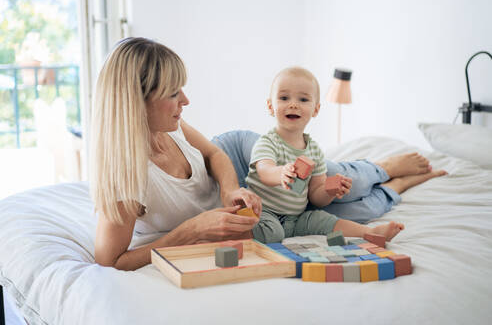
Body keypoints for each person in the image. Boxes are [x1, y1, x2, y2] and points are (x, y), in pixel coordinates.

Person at [90, 37, 262, 271]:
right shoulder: (127, 179)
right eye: (173, 93)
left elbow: (214, 153)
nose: (186, 100)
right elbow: (109, 261)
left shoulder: (171, 127)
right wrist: (192, 230)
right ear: (136, 102)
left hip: (235, 155)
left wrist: (230, 189)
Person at [243, 66, 447, 243]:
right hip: (265, 212)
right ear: (271, 106)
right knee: (270, 233)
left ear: (315, 109)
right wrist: (281, 173)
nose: (293, 104)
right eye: (284, 98)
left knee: (324, 219)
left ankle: (370, 232)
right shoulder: (268, 142)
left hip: (296, 218)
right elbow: (264, 170)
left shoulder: (313, 149)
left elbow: (316, 195)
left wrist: (331, 190)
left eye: (303, 99)